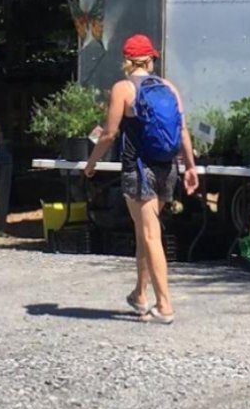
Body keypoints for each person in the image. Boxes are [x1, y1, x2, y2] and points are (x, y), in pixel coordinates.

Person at [84, 34, 199, 325]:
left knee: (150, 235)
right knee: (143, 234)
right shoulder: (169, 87)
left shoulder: (122, 89)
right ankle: (140, 295)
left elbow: (109, 134)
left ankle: (165, 305)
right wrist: (191, 167)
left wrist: (92, 163)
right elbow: (183, 130)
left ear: (126, 60)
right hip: (166, 167)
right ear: (150, 59)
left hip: (139, 169)